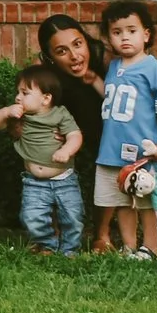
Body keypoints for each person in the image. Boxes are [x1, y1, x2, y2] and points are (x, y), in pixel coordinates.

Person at [94, 0, 157, 259]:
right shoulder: (114, 67)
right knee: (122, 202)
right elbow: (113, 99)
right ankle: (129, 247)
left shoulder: (154, 68)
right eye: (117, 32)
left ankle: (150, 248)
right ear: (109, 37)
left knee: (145, 202)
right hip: (111, 150)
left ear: (146, 34)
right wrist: (93, 81)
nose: (124, 38)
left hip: (143, 153)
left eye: (131, 31)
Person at [0, 64, 86, 255]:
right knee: (32, 216)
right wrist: (6, 112)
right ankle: (46, 245)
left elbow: (75, 135)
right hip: (34, 182)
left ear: (46, 98)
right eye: (18, 92)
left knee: (73, 216)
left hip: (64, 180)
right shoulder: (20, 117)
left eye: (25, 93)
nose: (18, 97)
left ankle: (70, 250)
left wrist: (67, 150)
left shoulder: (60, 114)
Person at [37, 14, 111, 250]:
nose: (74, 56)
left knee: (111, 160)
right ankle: (51, 234)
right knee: (47, 147)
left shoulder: (105, 59)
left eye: (78, 44)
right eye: (62, 51)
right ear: (50, 58)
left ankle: (102, 235)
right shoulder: (46, 76)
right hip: (69, 127)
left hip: (104, 124)